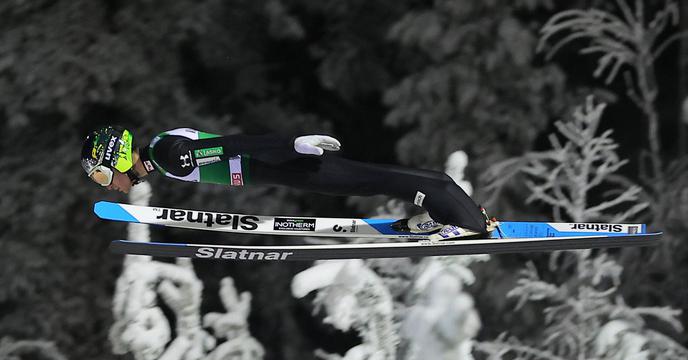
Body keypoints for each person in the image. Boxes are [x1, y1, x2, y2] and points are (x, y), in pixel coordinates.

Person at [80, 126, 497, 241]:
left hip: (288, 162)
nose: (106, 184)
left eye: (101, 174)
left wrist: (292, 145)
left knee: (372, 180)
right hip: (284, 166)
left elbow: (233, 146)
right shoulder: (163, 154)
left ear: (117, 157)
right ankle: (447, 208)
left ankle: (463, 219)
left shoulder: (169, 154)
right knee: (374, 180)